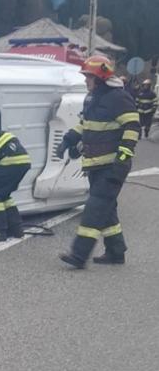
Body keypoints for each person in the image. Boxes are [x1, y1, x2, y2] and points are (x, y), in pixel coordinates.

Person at [57, 54, 140, 268]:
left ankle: (78, 255)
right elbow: (85, 123)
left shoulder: (117, 97)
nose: (85, 81)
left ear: (100, 78)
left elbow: (132, 126)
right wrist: (67, 140)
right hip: (96, 165)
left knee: (94, 209)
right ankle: (116, 252)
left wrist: (123, 154)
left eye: (88, 77)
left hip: (113, 166)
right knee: (106, 209)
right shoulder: (93, 98)